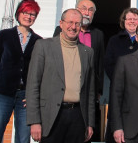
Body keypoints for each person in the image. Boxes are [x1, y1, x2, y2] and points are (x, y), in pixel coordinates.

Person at [26, 9, 95, 143]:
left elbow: (90, 92)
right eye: (69, 22)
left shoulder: (88, 52)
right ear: (61, 23)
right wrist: (34, 121)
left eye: (77, 23)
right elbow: (33, 85)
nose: (73, 27)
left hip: (78, 117)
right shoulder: (43, 46)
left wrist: (90, 123)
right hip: (51, 116)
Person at [0, 0, 41, 143]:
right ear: (18, 14)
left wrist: (35, 96)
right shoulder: (5, 35)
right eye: (25, 12)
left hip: (25, 97)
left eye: (32, 14)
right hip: (2, 93)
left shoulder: (38, 41)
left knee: (23, 138)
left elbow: (40, 71)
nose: (28, 17)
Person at [53, 0, 104, 141]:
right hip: (63, 93)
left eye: (90, 10)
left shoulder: (98, 34)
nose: (86, 12)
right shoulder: (60, 31)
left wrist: (99, 90)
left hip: (87, 92)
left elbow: (99, 64)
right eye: (83, 8)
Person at [104, 8, 138, 143]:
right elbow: (109, 65)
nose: (132, 21)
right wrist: (123, 83)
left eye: (135, 19)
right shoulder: (114, 40)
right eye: (129, 19)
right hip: (120, 94)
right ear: (124, 21)